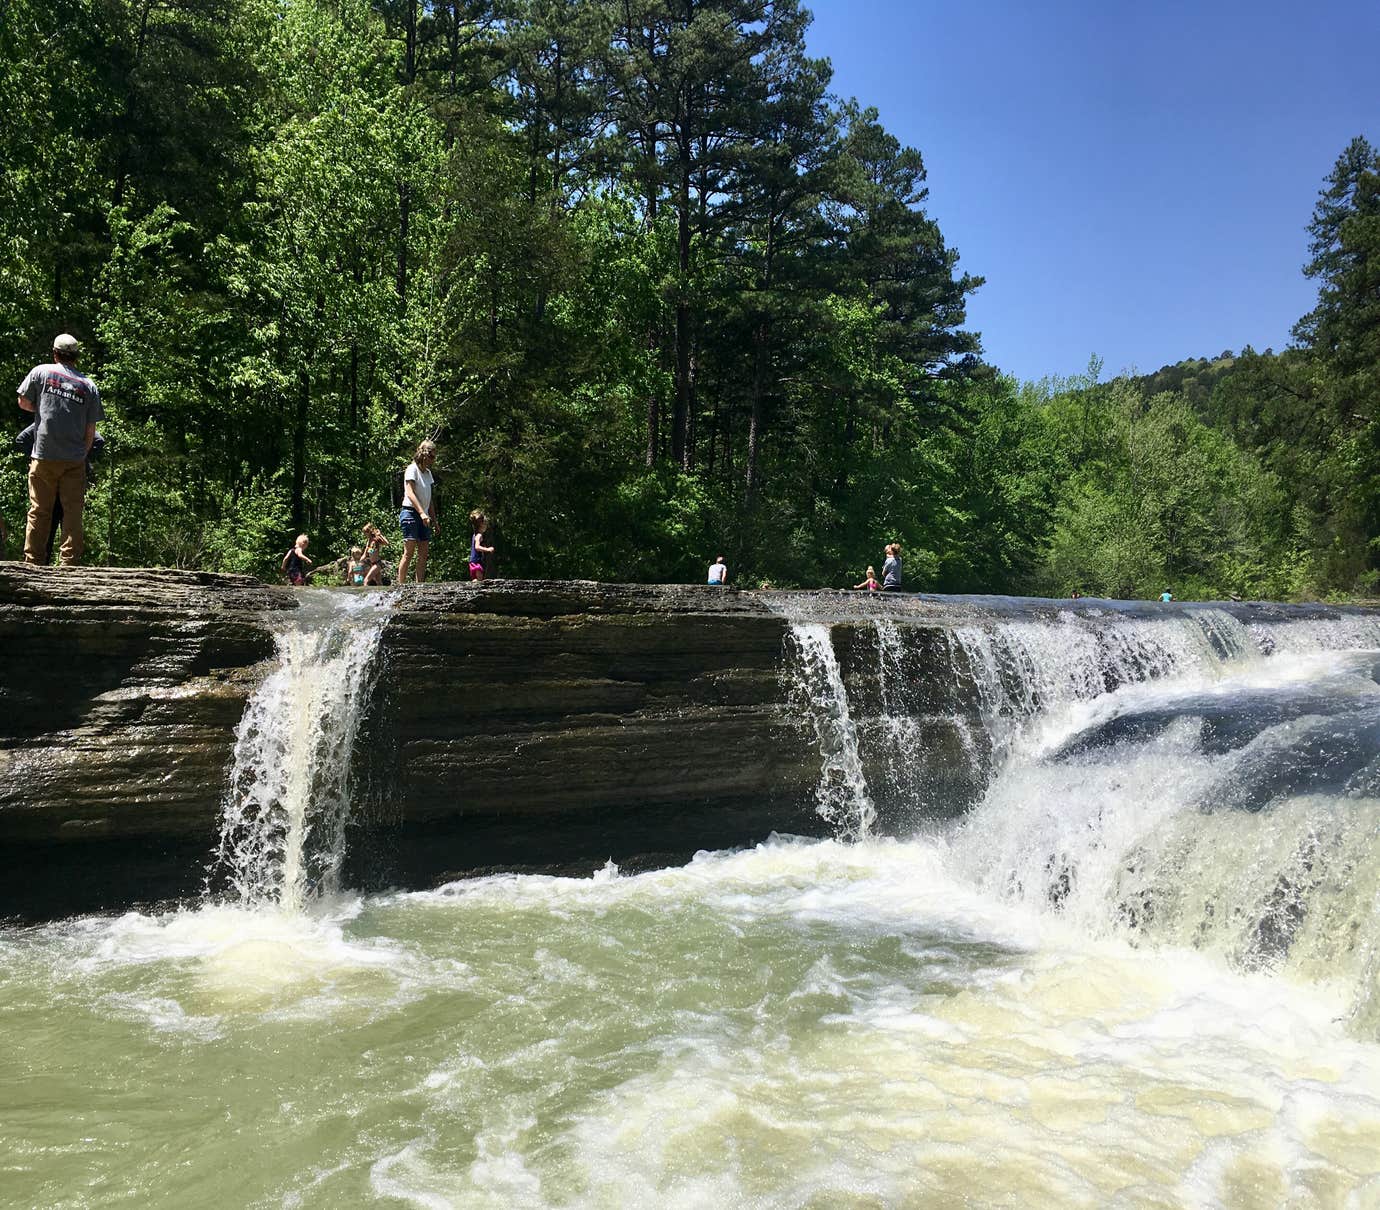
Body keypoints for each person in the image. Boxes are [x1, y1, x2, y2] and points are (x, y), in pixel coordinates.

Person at [16, 333, 104, 565]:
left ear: (54, 353)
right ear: (76, 357)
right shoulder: (88, 385)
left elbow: (23, 402)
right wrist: (82, 455)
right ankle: (69, 564)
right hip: (74, 459)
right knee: (72, 513)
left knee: (39, 511)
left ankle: (33, 562)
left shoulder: (41, 372)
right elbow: (90, 429)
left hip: (44, 454)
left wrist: (43, 408)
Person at [15, 422, 105, 564]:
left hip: (55, 475)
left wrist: (38, 456)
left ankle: (43, 563)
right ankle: (65, 563)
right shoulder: (75, 423)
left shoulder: (48, 420)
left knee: (48, 517)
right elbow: (98, 441)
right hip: (64, 477)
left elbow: (22, 438)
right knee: (66, 518)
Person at [397, 440, 439, 584]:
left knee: (423, 553)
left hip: (425, 516)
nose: (433, 460)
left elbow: (430, 499)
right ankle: (400, 586)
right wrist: (421, 513)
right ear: (424, 455)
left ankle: (419, 586)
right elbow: (410, 493)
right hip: (410, 513)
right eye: (432, 457)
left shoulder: (428, 473)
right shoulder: (412, 469)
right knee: (409, 552)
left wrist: (434, 520)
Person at [469, 510, 494, 581]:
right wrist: (488, 549)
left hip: (473, 562)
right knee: (479, 580)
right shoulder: (479, 535)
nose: (486, 526)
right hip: (476, 562)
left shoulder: (475, 535)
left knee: (475, 580)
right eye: (485, 524)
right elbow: (477, 547)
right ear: (481, 524)